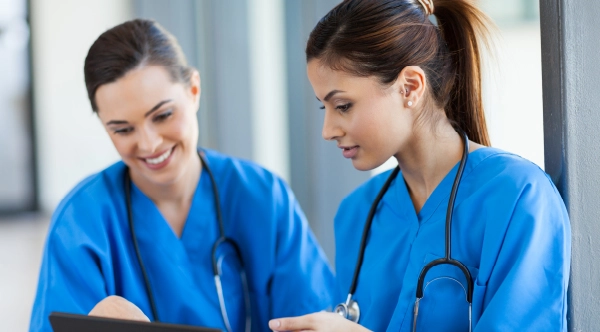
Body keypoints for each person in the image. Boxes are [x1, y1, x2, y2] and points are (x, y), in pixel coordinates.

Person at [269, 0, 571, 331]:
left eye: (343, 105)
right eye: (323, 108)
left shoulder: (518, 198)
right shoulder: (357, 214)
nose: (328, 131)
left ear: (410, 87)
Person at [30, 19, 334, 332]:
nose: (149, 144)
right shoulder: (81, 223)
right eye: (122, 129)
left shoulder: (262, 197)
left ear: (193, 90)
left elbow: (312, 319)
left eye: (163, 115)